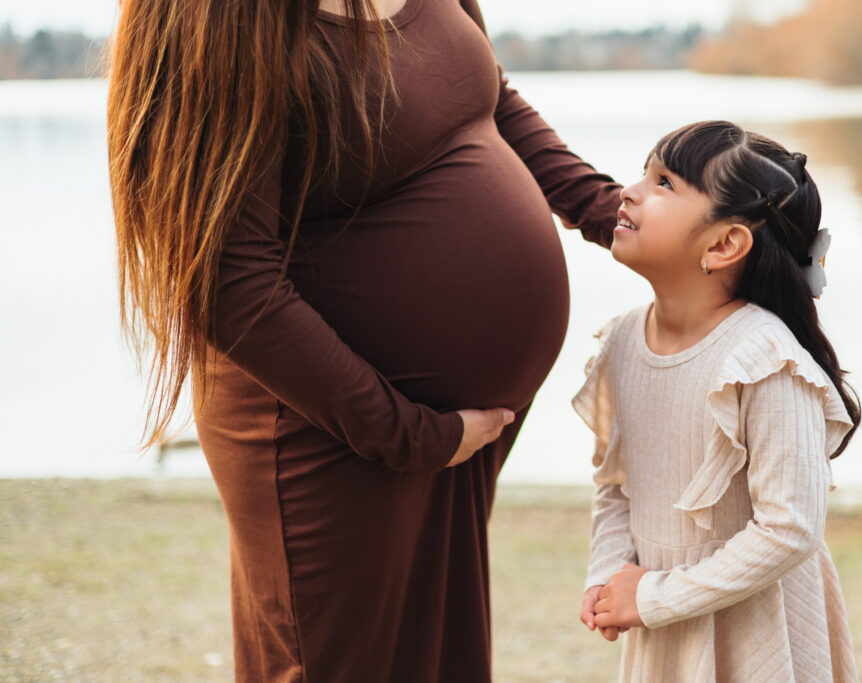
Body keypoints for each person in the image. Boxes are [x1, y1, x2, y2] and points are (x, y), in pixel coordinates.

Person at [106, 0, 621, 680]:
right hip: (331, 428)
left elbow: (486, 97)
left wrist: (619, 215)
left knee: (438, 658)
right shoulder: (215, 14)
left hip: (448, 432)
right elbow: (225, 279)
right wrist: (407, 435)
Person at [573, 121, 862, 682]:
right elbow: (616, 485)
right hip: (665, 626)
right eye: (644, 172)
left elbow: (790, 530)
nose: (629, 191)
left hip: (756, 628)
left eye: (664, 183)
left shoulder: (763, 359)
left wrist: (655, 596)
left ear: (725, 244)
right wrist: (609, 574)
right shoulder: (623, 343)